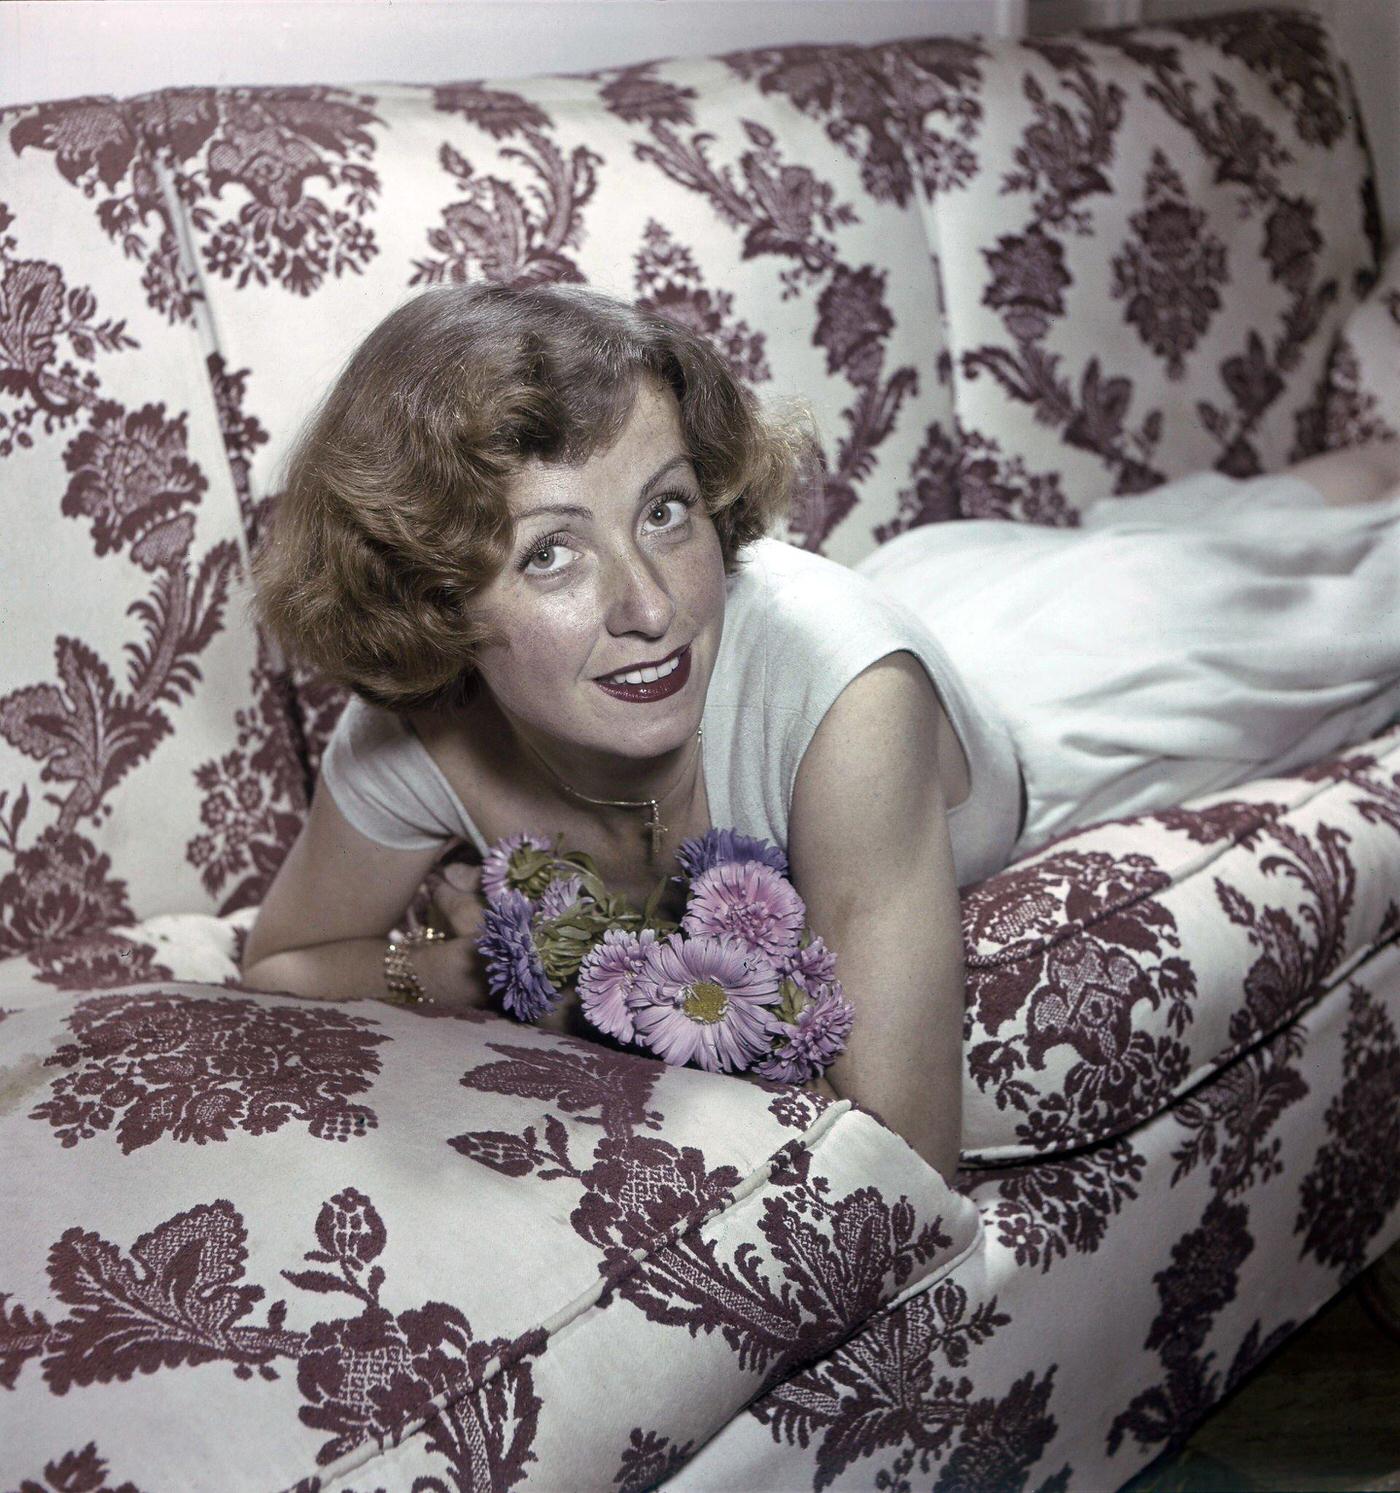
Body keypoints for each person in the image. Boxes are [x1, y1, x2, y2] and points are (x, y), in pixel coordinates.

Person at [240, 281, 1400, 1184]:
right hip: (936, 594)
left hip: (1079, 686)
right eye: (549, 551)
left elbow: (903, 1146)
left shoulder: (850, 695)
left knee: (1341, 594)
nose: (649, 605)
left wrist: (595, 978)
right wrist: (476, 975)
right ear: (435, 596)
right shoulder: (422, 729)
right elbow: (285, 958)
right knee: (1217, 531)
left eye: (665, 509)